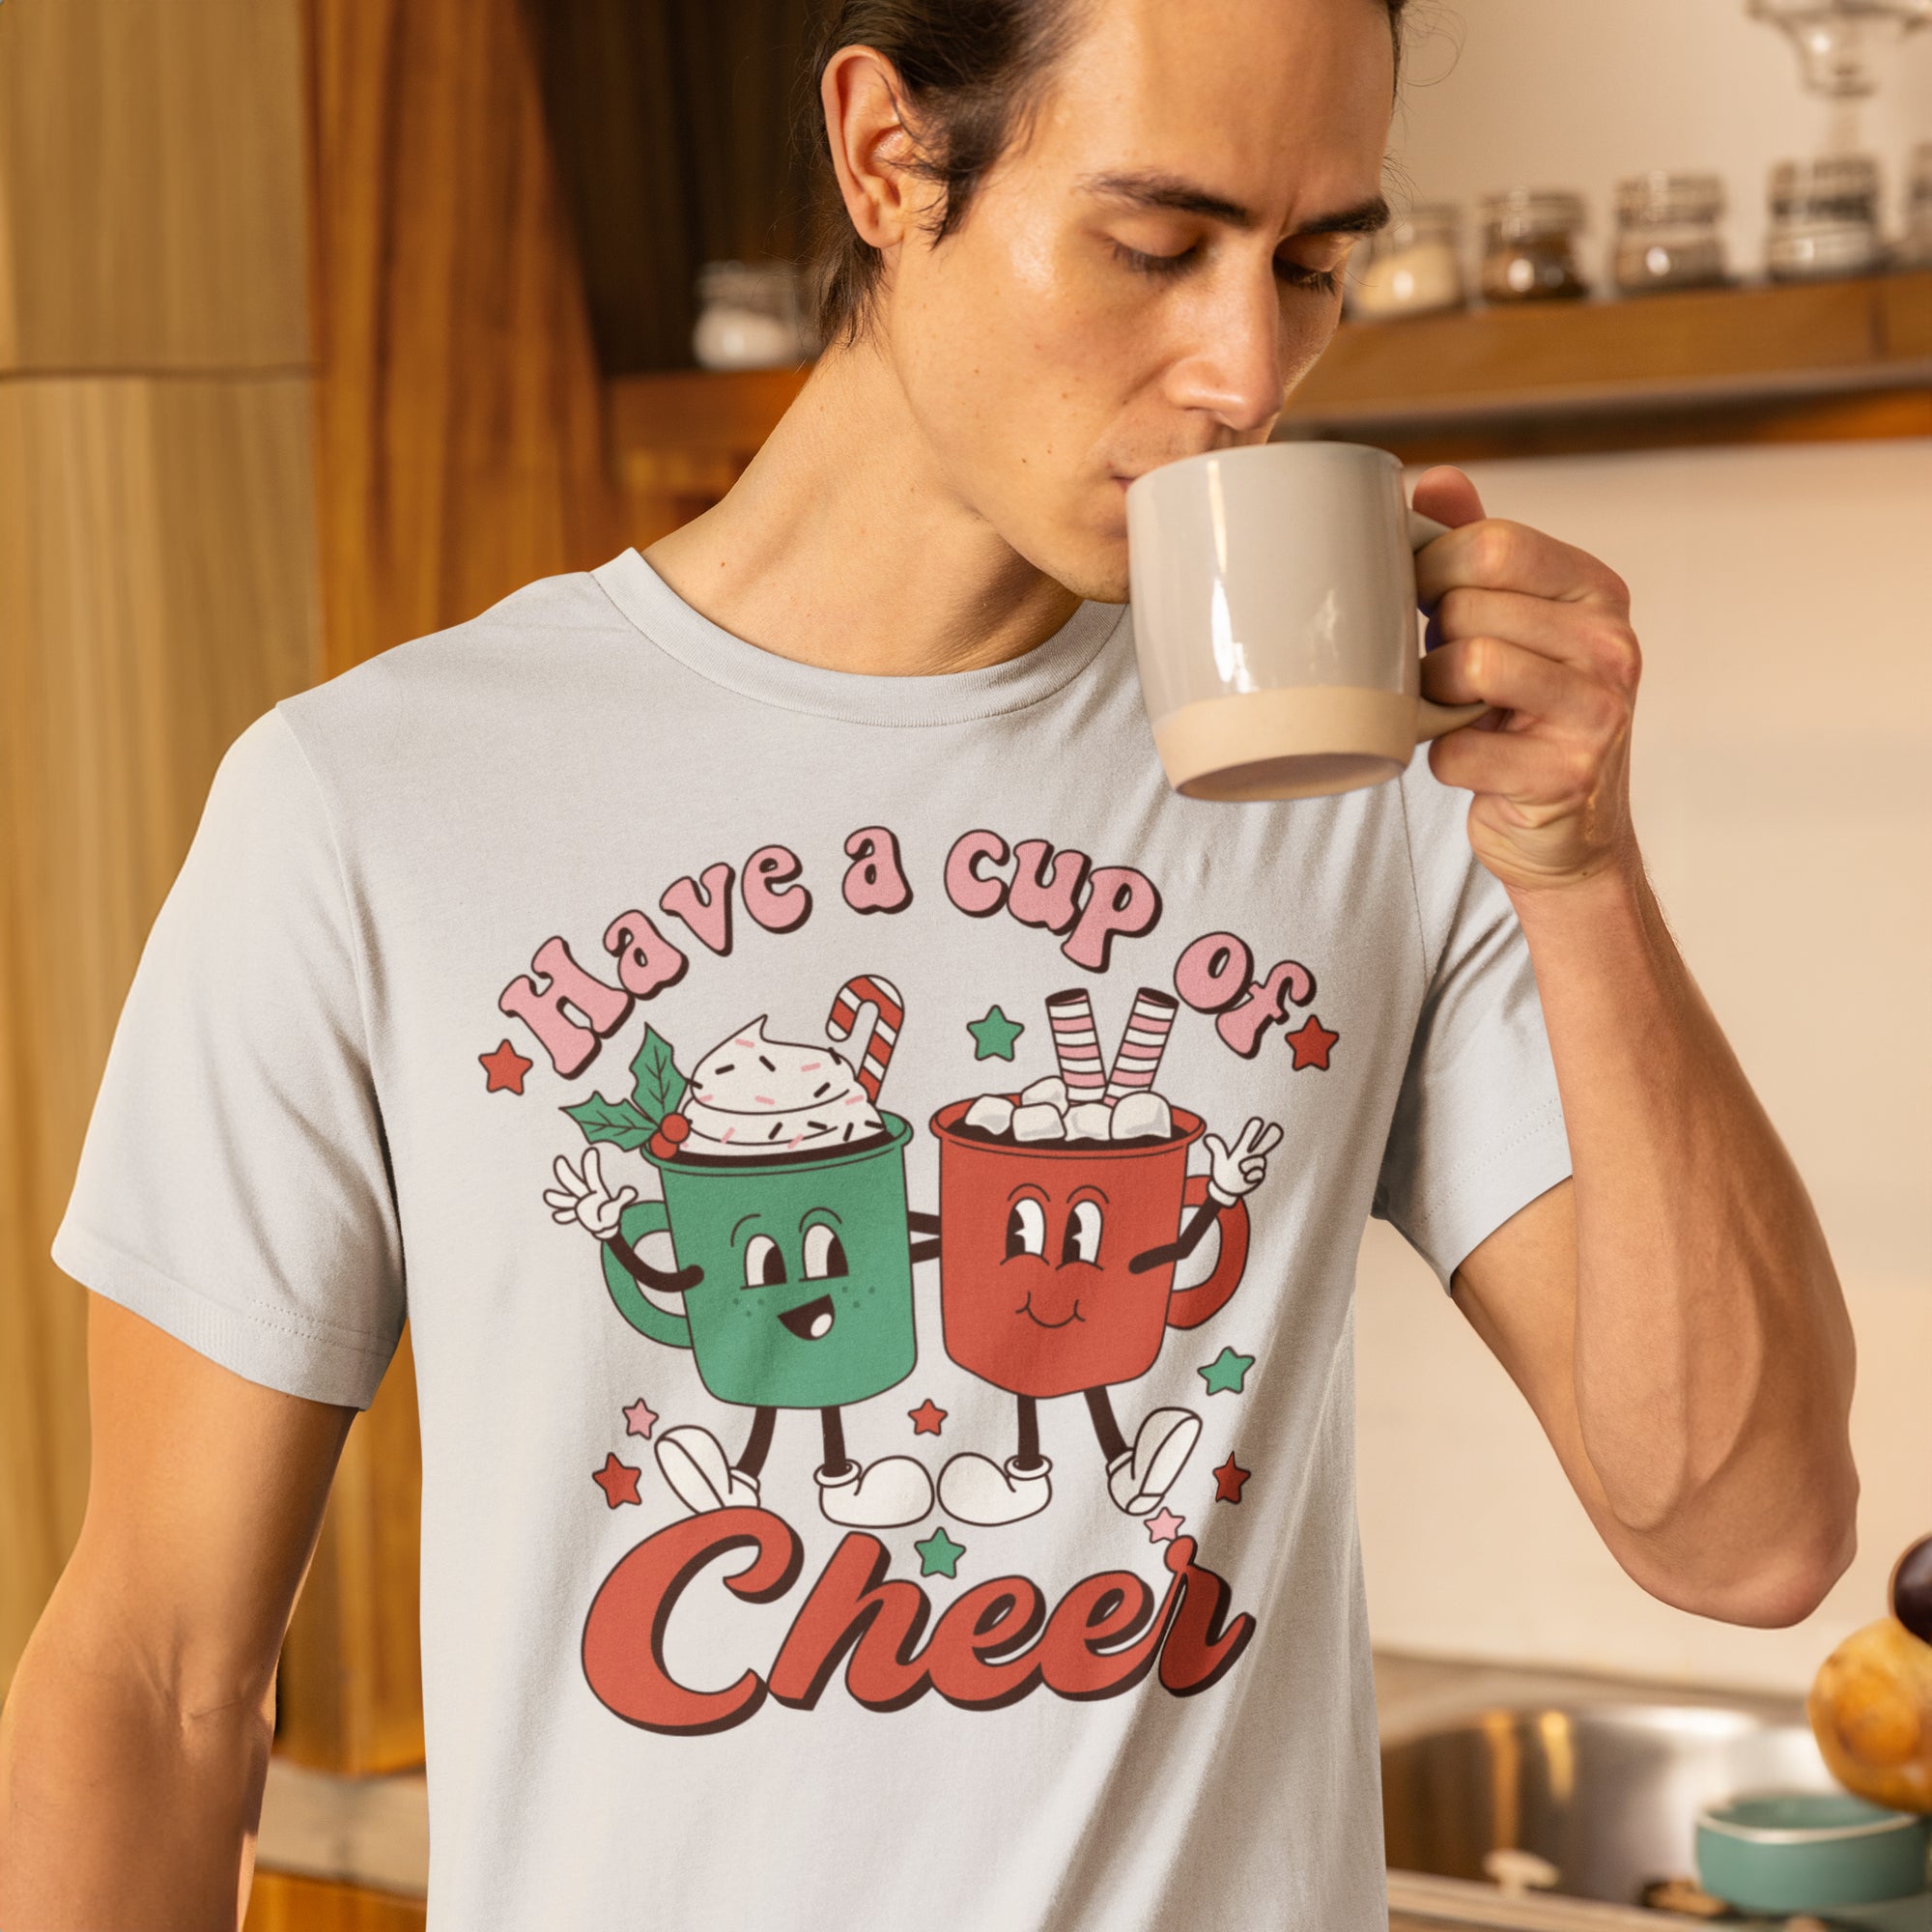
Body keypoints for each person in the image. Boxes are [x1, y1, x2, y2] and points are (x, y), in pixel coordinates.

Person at [0, 0, 1859, 1925]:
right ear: (887, 156)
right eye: (1154, 242)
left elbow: (1744, 1529)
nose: (1244, 369)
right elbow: (156, 1677)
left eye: (1313, 263)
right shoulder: (370, 805)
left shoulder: (1369, 789)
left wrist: (1576, 864)